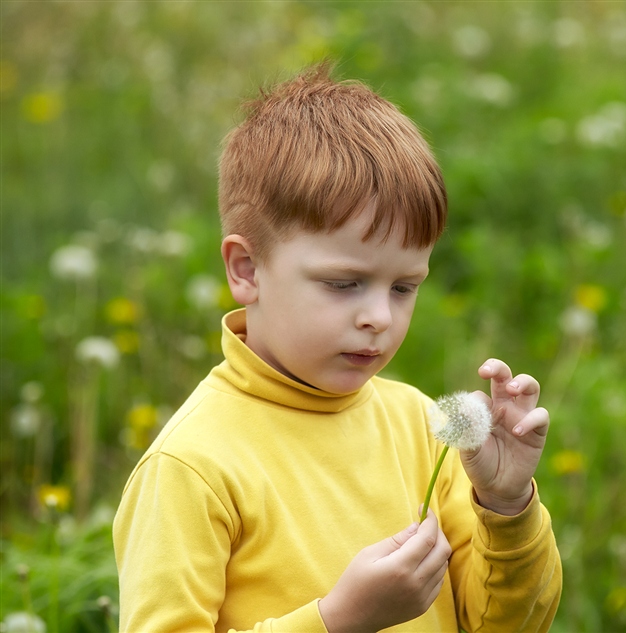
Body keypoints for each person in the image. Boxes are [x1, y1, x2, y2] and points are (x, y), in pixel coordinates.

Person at [113, 63, 562, 632]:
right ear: (247, 269)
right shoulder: (193, 466)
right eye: (343, 283)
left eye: (404, 287)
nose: (378, 317)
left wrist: (506, 505)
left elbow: (509, 625)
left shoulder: (425, 430)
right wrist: (338, 621)